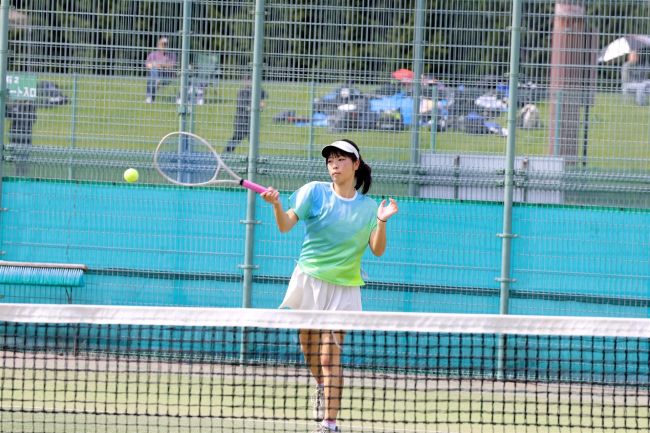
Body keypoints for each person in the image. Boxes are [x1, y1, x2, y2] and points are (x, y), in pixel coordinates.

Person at [260, 139, 398, 433]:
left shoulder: (369, 207)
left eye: (341, 159)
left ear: (356, 164)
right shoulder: (314, 192)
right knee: (309, 349)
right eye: (330, 160)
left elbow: (377, 250)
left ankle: (329, 423)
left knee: (329, 355)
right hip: (309, 279)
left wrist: (382, 221)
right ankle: (322, 386)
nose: (334, 165)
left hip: (344, 288)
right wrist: (276, 205)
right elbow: (285, 225)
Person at [224, 77, 267, 152]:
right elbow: (243, 106)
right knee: (238, 137)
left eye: (250, 80)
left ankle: (253, 155)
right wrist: (254, 107)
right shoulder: (242, 92)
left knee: (253, 138)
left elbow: (262, 102)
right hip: (241, 119)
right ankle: (227, 152)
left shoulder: (258, 90)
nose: (248, 82)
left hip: (252, 120)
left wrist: (260, 104)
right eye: (246, 80)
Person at [145, 37, 177, 103]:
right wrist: (155, 66)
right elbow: (147, 64)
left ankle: (150, 97)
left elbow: (172, 65)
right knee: (154, 71)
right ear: (158, 45)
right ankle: (157, 80)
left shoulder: (172, 54)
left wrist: (161, 65)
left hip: (167, 77)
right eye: (162, 44)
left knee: (153, 77)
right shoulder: (153, 54)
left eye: (166, 44)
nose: (164, 46)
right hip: (155, 74)